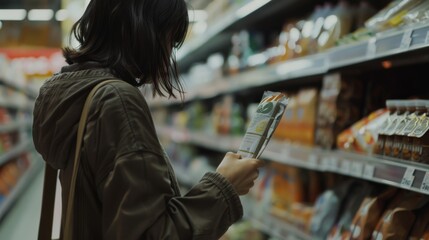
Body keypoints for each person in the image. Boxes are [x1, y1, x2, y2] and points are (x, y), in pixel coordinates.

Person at [32, 0, 263, 239]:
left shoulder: (73, 97)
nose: (168, 55)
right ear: (141, 31)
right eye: (169, 39)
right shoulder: (116, 100)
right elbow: (152, 234)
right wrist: (225, 187)